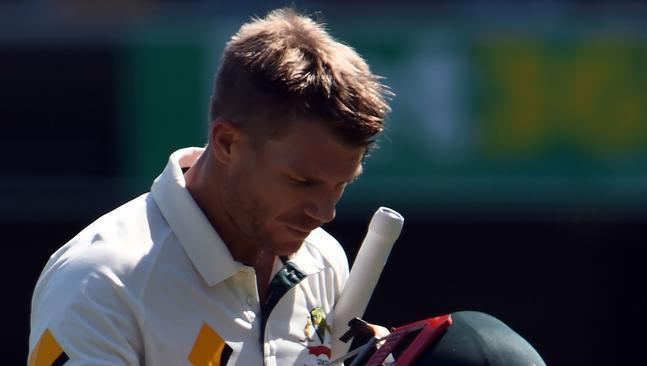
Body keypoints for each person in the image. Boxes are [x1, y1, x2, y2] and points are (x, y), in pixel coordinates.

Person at [28, 8, 391, 366]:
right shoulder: (97, 281)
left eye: (341, 184)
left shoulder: (325, 260)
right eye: (301, 182)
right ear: (227, 142)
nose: (324, 213)